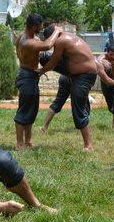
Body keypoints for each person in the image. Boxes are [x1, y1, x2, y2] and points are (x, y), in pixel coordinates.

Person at [39, 25, 98, 150]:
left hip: (83, 75)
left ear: (52, 37)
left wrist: (40, 71)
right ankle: (88, 142)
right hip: (77, 74)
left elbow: (53, 62)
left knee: (78, 109)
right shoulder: (68, 37)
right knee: (44, 57)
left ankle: (88, 145)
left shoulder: (61, 41)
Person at [13, 14, 61, 150]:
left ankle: (28, 141)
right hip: (26, 77)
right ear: (34, 26)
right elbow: (47, 45)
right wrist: (57, 31)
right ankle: (19, 143)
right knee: (23, 111)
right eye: (40, 27)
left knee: (32, 110)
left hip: (31, 76)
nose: (41, 29)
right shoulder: (27, 41)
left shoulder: (24, 37)